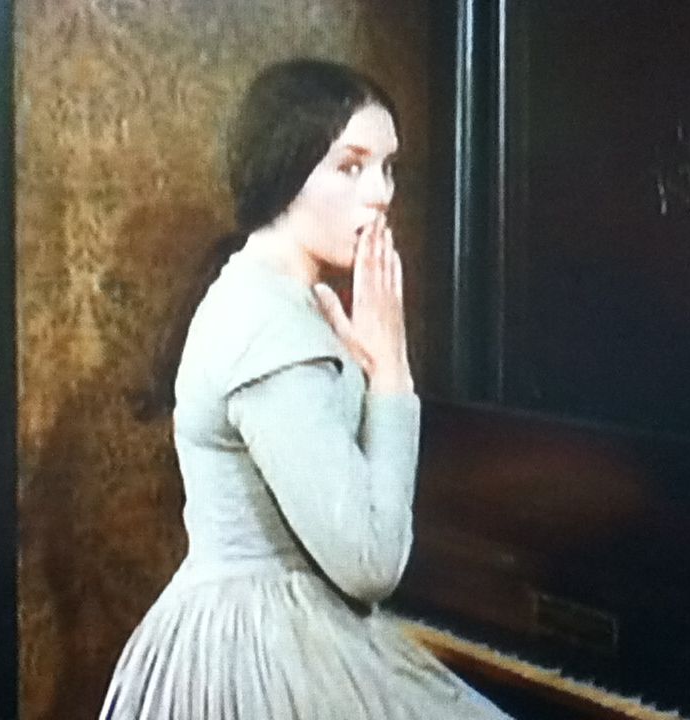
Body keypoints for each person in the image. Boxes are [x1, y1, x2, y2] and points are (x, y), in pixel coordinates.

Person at [101, 59, 512, 720]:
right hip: (261, 652)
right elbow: (371, 565)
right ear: (286, 171)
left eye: (387, 168)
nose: (379, 194)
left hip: (276, 625)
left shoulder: (280, 299)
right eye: (350, 167)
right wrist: (392, 374)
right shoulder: (267, 323)